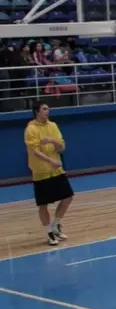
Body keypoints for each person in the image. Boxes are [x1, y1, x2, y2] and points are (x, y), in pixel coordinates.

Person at [24, 102, 73, 245]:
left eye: (48, 109)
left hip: (56, 170)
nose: (48, 111)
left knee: (68, 197)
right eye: (44, 109)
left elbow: (61, 147)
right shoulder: (31, 129)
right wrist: (51, 161)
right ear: (37, 111)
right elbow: (35, 151)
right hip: (41, 171)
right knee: (43, 204)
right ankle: (49, 233)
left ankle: (56, 225)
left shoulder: (53, 126)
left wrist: (52, 140)